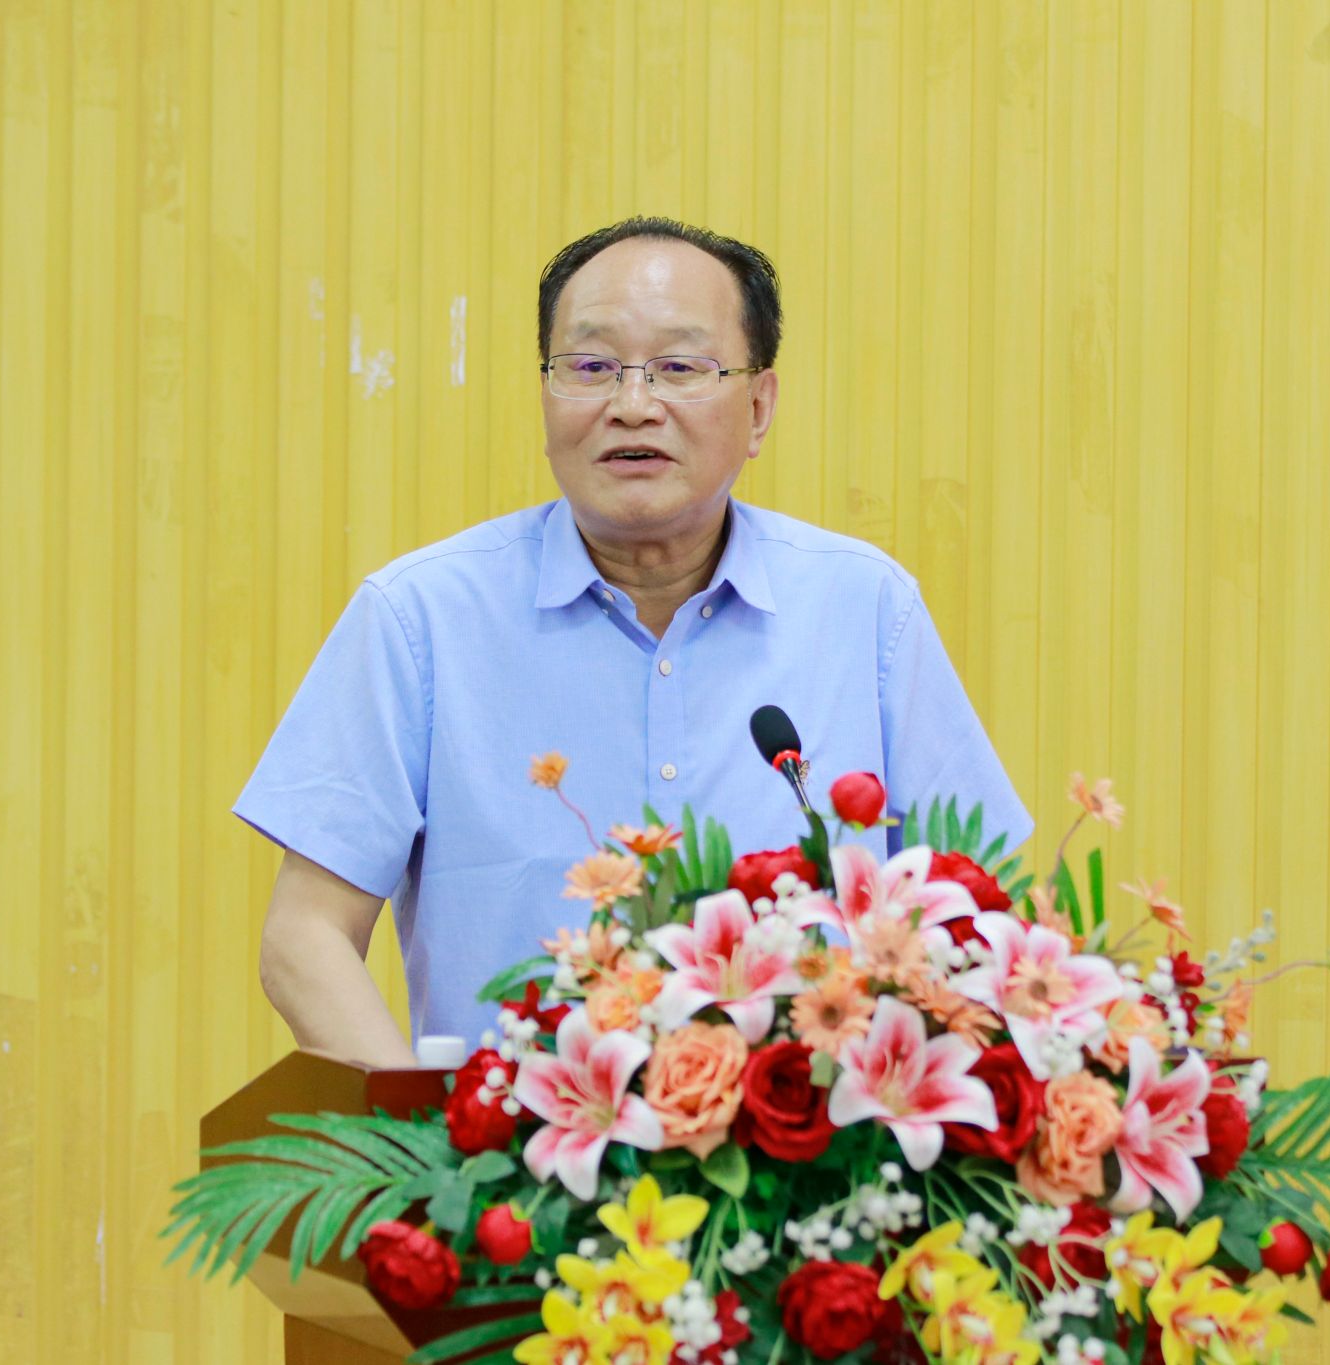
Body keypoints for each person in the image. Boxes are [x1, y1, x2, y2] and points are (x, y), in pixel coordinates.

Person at [236, 217, 1031, 1065]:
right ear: (546, 396)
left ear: (758, 407)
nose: (633, 404)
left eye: (680, 368)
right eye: (590, 367)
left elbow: (978, 919)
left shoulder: (865, 610)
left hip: (810, 1141)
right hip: (515, 1142)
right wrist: (417, 1135)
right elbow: (305, 936)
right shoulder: (420, 619)